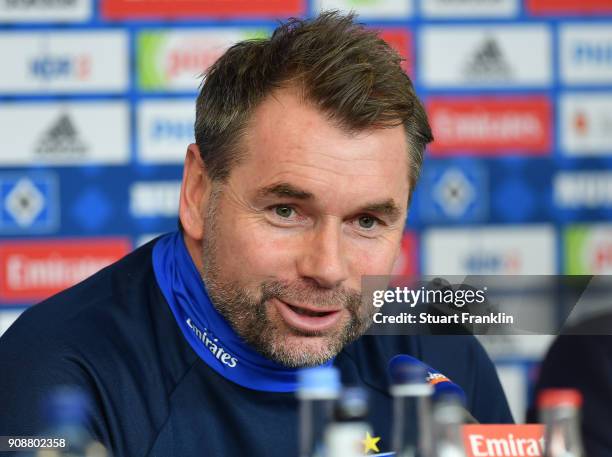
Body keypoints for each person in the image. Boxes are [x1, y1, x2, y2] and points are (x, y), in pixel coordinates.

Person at [0, 12, 512, 456]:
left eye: (366, 222)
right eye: (287, 211)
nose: (328, 267)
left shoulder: (442, 357)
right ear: (199, 192)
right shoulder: (54, 375)